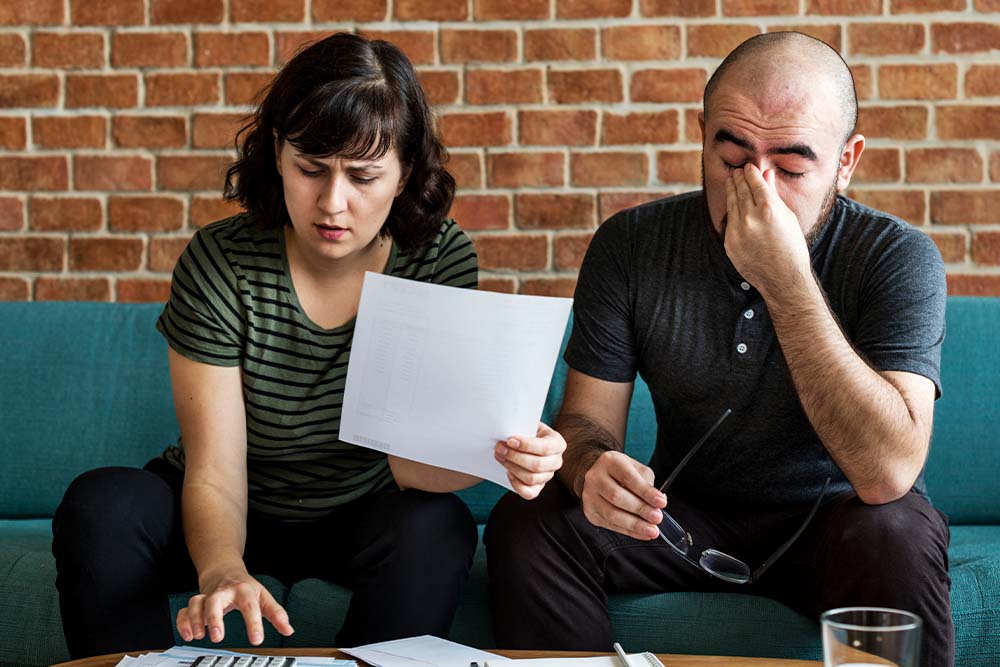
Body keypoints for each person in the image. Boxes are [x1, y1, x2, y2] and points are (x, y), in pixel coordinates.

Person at [52, 32, 566, 658]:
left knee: (437, 527)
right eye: (311, 169)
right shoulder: (222, 261)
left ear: (404, 174)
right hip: (226, 496)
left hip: (359, 508)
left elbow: (411, 462)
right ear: (277, 153)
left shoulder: (436, 256)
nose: (332, 203)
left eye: (364, 176)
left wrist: (509, 455)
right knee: (102, 502)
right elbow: (214, 468)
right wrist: (221, 569)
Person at [485, 31, 952, 667]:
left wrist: (786, 282)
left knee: (899, 530)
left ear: (847, 160)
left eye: (790, 168)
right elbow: (587, 423)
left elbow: (888, 473)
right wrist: (591, 467)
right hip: (683, 521)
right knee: (529, 522)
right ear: (703, 134)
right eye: (731, 156)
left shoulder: (897, 257)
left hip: (841, 525)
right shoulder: (632, 245)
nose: (755, 188)